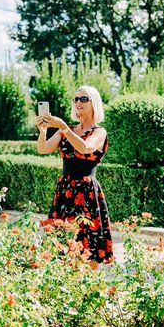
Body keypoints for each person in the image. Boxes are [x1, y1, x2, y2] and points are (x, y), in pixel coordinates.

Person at [35, 85, 113, 263]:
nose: (79, 102)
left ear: (94, 104)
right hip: (65, 190)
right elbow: (43, 148)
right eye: (76, 99)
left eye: (84, 99)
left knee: (88, 244)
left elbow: (85, 148)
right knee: (61, 242)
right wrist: (43, 131)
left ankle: (87, 286)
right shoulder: (67, 130)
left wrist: (63, 127)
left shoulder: (99, 132)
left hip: (86, 192)